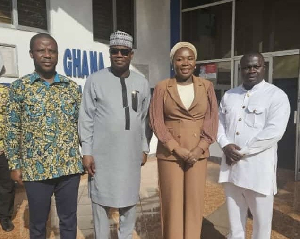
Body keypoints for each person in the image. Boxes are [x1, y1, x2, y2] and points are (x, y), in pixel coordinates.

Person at [5, 33, 83, 239]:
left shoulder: (72, 88)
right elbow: (12, 129)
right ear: (32, 54)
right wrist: (15, 164)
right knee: (38, 225)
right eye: (41, 50)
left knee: (69, 221)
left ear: (57, 55)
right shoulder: (19, 88)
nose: (47, 55)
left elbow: (83, 126)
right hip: (35, 170)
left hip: (69, 167)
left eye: (52, 51)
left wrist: (88, 155)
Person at [78, 30, 151, 239]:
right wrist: (87, 151)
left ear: (131, 55)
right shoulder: (95, 80)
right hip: (102, 155)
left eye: (124, 51)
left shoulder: (142, 82)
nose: (119, 55)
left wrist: (144, 147)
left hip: (130, 155)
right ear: (109, 53)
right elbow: (86, 118)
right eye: (114, 51)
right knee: (100, 201)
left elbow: (143, 119)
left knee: (129, 200)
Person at [149, 42, 218, 239]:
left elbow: (212, 119)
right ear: (173, 63)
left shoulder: (206, 86)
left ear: (195, 63)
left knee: (194, 203)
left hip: (198, 153)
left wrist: (200, 148)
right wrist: (174, 147)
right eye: (179, 59)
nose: (184, 63)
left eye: (189, 58)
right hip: (170, 154)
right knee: (172, 203)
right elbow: (156, 120)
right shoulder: (163, 87)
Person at [218, 52, 290, 239]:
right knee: (235, 222)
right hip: (231, 169)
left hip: (258, 170)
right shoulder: (229, 95)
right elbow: (218, 124)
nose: (251, 70)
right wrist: (225, 145)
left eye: (255, 66)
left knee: (261, 223)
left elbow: (274, 132)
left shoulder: (276, 96)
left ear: (263, 68)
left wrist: (241, 152)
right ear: (240, 70)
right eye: (246, 67)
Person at [0, 52, 15, 232]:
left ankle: (5, 217)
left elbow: (12, 121)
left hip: (3, 149)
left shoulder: (6, 93)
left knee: (6, 185)